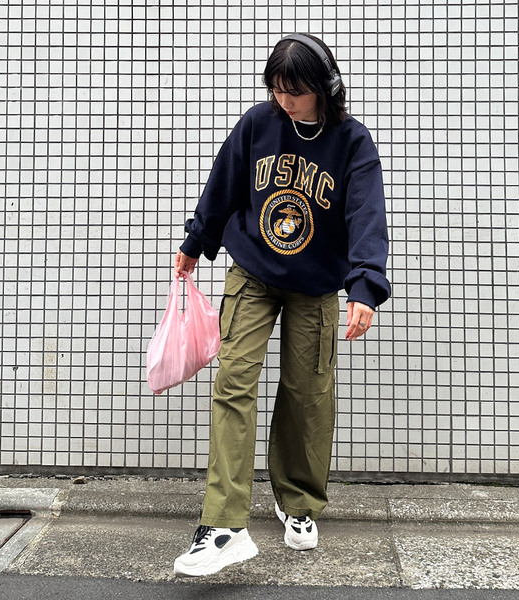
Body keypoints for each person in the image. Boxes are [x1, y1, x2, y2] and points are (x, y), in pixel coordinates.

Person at [172, 33, 391, 577]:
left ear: (325, 87)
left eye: (295, 90)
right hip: (252, 274)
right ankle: (223, 525)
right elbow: (223, 184)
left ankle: (298, 503)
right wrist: (196, 242)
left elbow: (366, 213)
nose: (284, 100)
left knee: (308, 393)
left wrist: (365, 286)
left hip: (316, 286)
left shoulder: (352, 142)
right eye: (276, 88)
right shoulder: (258, 123)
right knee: (233, 383)